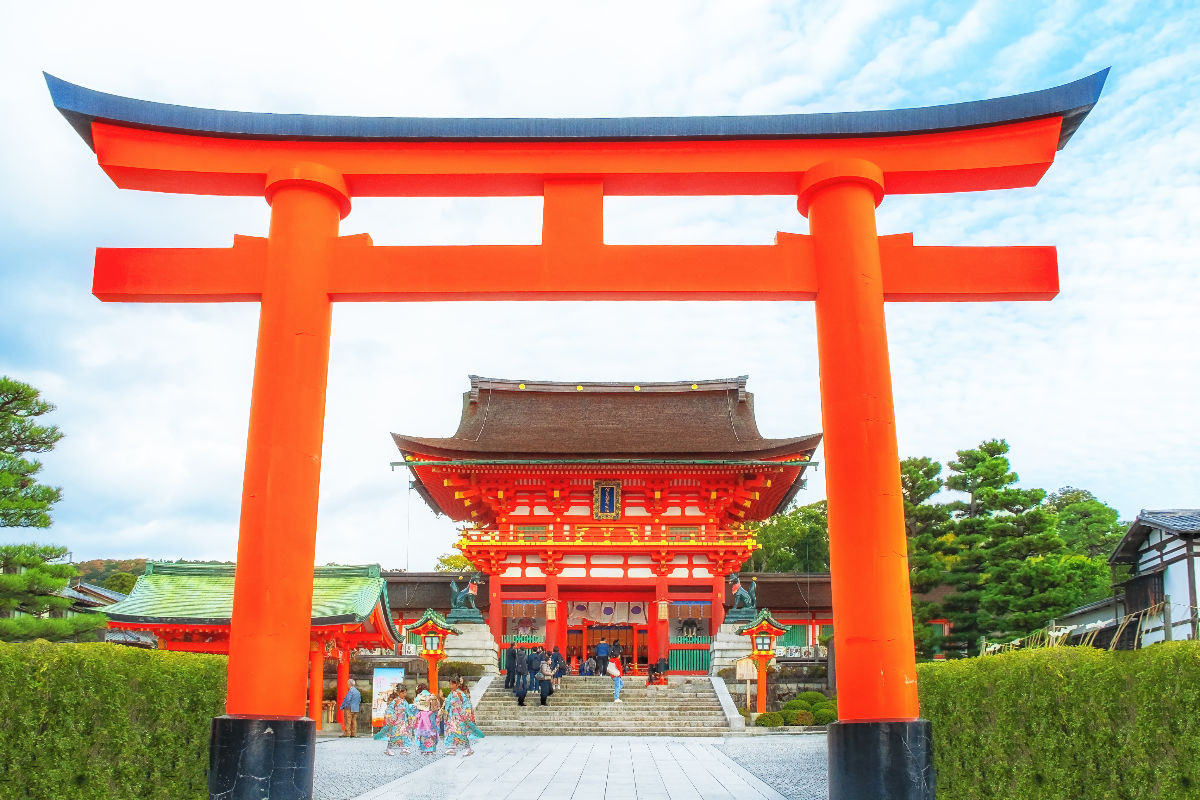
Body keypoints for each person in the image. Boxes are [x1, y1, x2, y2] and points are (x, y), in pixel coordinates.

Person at [441, 676, 484, 756]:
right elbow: (448, 702)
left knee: (461, 733)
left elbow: (465, 704)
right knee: (451, 731)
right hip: (453, 716)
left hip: (460, 716)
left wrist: (465, 714)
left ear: (457, 684)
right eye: (449, 684)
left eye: (452, 684)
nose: (450, 686)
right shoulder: (452, 693)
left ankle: (468, 749)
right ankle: (452, 748)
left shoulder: (460, 693)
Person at [374, 686, 416, 755]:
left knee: (404, 735)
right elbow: (389, 710)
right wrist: (393, 715)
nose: (404, 694)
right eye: (403, 693)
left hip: (402, 721)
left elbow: (408, 710)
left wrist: (411, 714)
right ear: (398, 693)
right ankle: (388, 749)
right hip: (396, 721)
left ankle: (403, 749)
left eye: (405, 693)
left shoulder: (404, 701)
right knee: (394, 736)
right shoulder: (395, 701)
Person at [413, 682, 441, 756]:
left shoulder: (418, 697)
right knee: (432, 731)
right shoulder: (432, 696)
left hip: (422, 718)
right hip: (431, 717)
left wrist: (417, 715)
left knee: (423, 732)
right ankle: (431, 750)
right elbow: (437, 707)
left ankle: (424, 749)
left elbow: (415, 709)